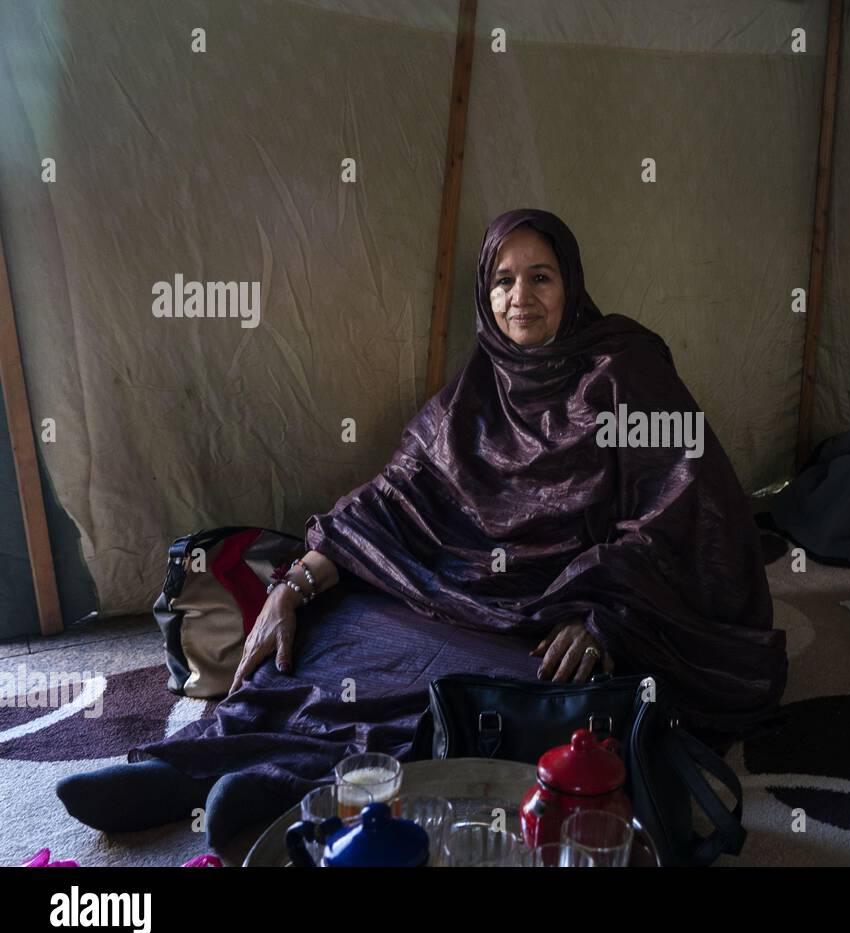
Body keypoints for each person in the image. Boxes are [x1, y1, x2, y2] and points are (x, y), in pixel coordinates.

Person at [56, 208, 787, 854]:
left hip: (560, 610)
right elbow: (400, 488)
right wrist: (298, 579)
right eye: (502, 280)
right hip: (464, 586)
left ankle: (286, 780)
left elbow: (689, 508)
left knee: (493, 699)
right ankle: (179, 766)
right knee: (333, 627)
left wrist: (606, 613)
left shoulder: (626, 371)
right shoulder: (481, 380)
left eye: (540, 278)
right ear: (485, 292)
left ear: (572, 286)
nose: (519, 298)